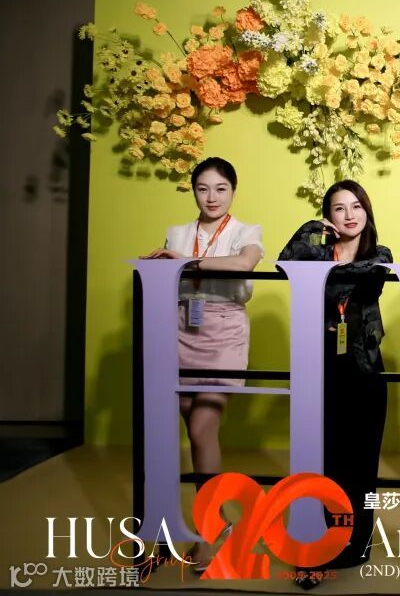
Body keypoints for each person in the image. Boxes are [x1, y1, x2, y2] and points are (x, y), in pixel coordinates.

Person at [142, 156, 264, 571]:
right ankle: (218, 519)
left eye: (221, 189)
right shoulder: (177, 232)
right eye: (203, 188)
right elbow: (166, 281)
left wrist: (184, 261)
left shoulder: (247, 231)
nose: (212, 197)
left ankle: (208, 529)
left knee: (201, 427)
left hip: (225, 331)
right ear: (193, 190)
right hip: (181, 328)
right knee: (193, 431)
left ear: (233, 191)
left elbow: (244, 264)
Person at [278, 180, 392, 590]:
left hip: (363, 369)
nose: (349, 215)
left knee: (360, 463)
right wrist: (311, 229)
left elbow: (364, 280)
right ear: (328, 215)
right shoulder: (315, 250)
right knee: (322, 460)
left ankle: (355, 542)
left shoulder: (380, 255)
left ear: (367, 211)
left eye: (356, 206)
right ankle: (320, 542)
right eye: (339, 208)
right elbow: (284, 264)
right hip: (319, 366)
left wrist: (321, 273)